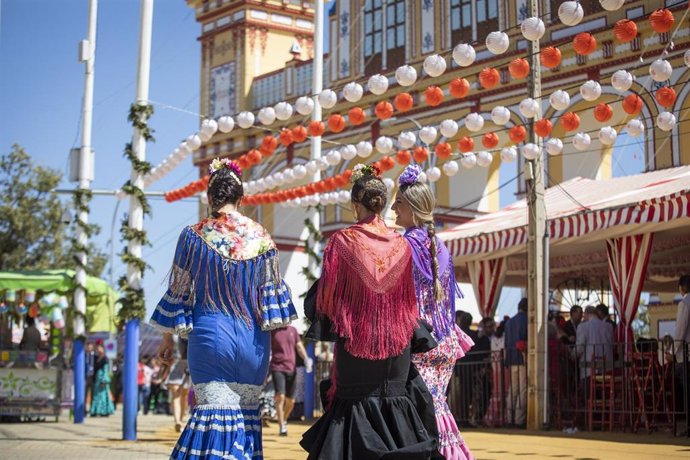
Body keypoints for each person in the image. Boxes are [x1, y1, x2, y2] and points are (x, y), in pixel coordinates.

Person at [151, 158, 296, 459]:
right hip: (253, 344)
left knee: (210, 417)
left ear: (208, 197)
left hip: (209, 337)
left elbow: (178, 291)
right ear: (241, 199)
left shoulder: (193, 235)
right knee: (245, 419)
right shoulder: (262, 238)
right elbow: (273, 305)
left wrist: (167, 340)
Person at [300, 164, 441, 460]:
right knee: (396, 417)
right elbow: (406, 301)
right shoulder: (401, 245)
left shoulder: (342, 242)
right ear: (384, 204)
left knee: (352, 416)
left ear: (355, 206)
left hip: (357, 348)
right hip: (395, 349)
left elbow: (327, 299)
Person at [391, 163, 474, 459]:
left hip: (421, 341)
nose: (392, 208)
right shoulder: (441, 246)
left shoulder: (403, 245)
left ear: (413, 208)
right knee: (438, 404)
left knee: (419, 412)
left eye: (398, 202)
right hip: (445, 339)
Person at [270, 325, 312, 436]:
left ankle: (283, 419)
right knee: (280, 397)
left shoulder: (293, 330)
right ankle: (282, 427)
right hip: (277, 367)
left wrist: (306, 359)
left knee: (291, 401)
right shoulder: (273, 331)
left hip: (291, 369)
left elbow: (299, 346)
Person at [575, 306, 614, 394]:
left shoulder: (583, 327)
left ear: (587, 314)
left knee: (589, 396)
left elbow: (580, 348)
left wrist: (573, 355)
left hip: (589, 368)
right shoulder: (609, 326)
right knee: (604, 395)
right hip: (606, 367)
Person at [504, 298, 528, 426]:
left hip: (511, 357)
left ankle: (509, 418)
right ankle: (519, 419)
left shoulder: (509, 322)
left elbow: (506, 342)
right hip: (522, 357)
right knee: (523, 389)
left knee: (513, 389)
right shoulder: (526, 320)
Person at [673, 275, 690, 419]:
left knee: (686, 391)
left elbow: (681, 329)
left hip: (686, 354)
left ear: (682, 287)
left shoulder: (684, 303)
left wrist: (672, 351)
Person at [165, 337, 190, 432]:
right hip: (176, 362)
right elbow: (166, 343)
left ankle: (180, 419)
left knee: (184, 394)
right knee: (176, 392)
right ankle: (177, 421)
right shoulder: (171, 327)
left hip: (189, 363)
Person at [90, 343, 114, 416]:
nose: (98, 349)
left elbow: (105, 370)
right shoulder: (96, 357)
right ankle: (96, 410)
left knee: (103, 395)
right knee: (97, 395)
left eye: (100, 348)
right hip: (97, 378)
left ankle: (104, 411)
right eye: (97, 348)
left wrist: (104, 380)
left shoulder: (104, 358)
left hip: (102, 378)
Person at [85, 342, 96, 412]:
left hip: (93, 376)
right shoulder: (84, 355)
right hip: (86, 376)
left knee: (93, 393)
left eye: (90, 346)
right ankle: (84, 409)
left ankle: (92, 409)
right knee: (84, 393)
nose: (89, 347)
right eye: (88, 346)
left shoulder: (95, 356)